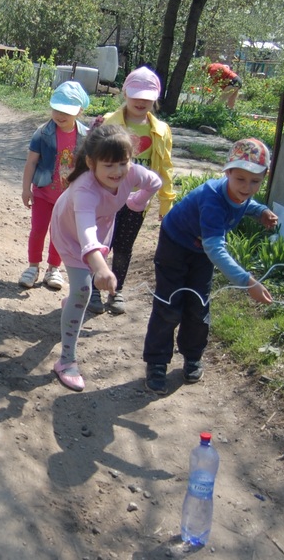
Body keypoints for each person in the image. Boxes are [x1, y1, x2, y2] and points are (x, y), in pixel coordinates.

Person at [141, 137, 278, 395]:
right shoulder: (212, 200)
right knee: (169, 304)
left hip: (200, 250)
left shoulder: (240, 193)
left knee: (198, 305)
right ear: (227, 173)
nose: (247, 187)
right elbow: (216, 249)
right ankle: (157, 361)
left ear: (264, 177)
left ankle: (192, 355)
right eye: (240, 180)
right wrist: (247, 282)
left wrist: (261, 212)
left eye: (255, 182)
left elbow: (246, 204)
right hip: (176, 244)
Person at [49, 124, 162, 391]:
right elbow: (86, 234)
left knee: (81, 291)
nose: (118, 172)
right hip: (70, 233)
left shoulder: (131, 173)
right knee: (85, 286)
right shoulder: (84, 190)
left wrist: (138, 201)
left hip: (101, 230)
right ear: (91, 163)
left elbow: (155, 181)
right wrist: (101, 268)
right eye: (109, 165)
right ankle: (66, 361)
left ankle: (75, 297)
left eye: (123, 163)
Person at [90, 66, 176, 315]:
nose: (141, 101)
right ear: (125, 93)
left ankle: (116, 291)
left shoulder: (160, 131)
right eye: (136, 95)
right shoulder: (107, 123)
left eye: (147, 98)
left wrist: (165, 203)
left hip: (137, 203)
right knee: (98, 244)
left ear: (155, 99)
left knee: (124, 246)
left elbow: (165, 168)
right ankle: (94, 288)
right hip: (107, 198)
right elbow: (92, 161)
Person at [19, 81, 89, 291]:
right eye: (56, 109)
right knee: (38, 229)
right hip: (43, 193)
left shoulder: (86, 136)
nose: (60, 115)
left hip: (69, 197)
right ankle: (32, 267)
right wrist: (26, 189)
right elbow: (31, 162)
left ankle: (53, 268)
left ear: (80, 111)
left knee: (59, 233)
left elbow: (91, 168)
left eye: (66, 111)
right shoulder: (42, 133)